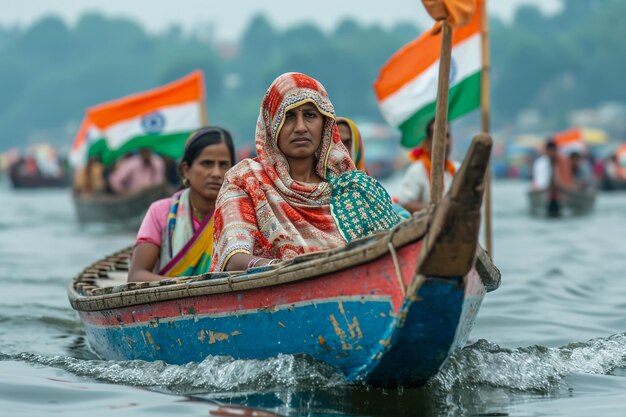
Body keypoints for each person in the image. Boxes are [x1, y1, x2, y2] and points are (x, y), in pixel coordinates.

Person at [210, 72, 401, 272]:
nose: (300, 127)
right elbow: (233, 257)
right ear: (271, 124)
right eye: (288, 116)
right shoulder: (246, 180)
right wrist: (286, 269)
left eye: (310, 115)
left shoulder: (354, 188)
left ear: (325, 123)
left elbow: (393, 252)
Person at [127, 127, 235, 282]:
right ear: (186, 170)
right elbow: (136, 276)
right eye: (207, 163)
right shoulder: (161, 212)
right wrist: (187, 285)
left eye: (224, 165)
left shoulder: (239, 214)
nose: (216, 173)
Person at [396, 118, 460, 213]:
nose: (445, 142)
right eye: (439, 136)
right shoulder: (417, 170)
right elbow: (405, 203)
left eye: (447, 136)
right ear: (427, 142)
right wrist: (437, 210)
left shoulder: (458, 169)